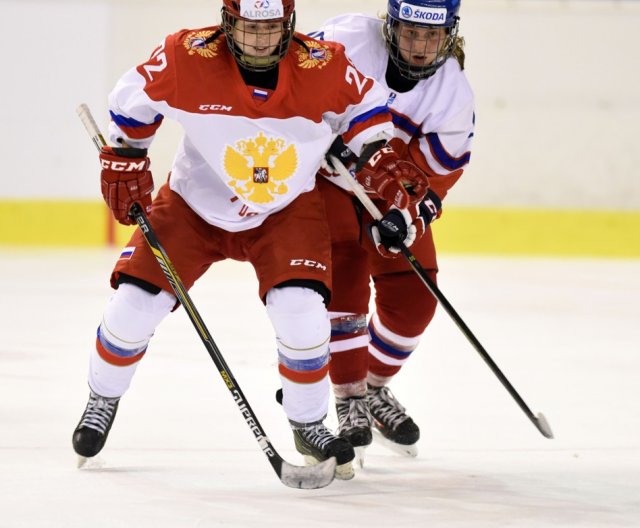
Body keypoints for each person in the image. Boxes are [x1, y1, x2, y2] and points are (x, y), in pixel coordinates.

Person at [71, 0, 429, 481]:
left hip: (285, 211)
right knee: (134, 304)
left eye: (271, 28)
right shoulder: (186, 55)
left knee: (301, 313)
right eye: (249, 27)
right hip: (193, 205)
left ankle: (308, 423)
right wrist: (126, 156)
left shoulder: (323, 65)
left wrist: (375, 160)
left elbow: (368, 114)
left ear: (289, 25)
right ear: (227, 22)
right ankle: (102, 398)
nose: (260, 39)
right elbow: (131, 99)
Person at [310, 0, 475, 457]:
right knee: (345, 278)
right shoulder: (347, 40)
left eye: (431, 36)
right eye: (410, 33)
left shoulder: (452, 94)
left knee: (415, 301)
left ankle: (374, 386)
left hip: (389, 194)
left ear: (449, 34)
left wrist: (407, 213)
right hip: (327, 185)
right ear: (391, 26)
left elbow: (436, 176)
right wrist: (315, 140)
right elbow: (298, 90)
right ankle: (348, 397)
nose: (420, 47)